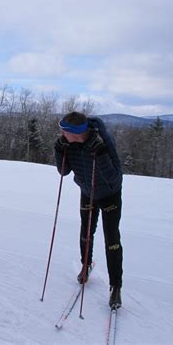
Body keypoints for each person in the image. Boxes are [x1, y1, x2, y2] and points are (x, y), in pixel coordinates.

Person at [54, 111, 123, 309]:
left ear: (75, 133)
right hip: (87, 190)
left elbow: (113, 177)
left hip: (109, 194)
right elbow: (64, 171)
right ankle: (86, 265)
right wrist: (59, 150)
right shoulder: (68, 143)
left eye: (63, 130)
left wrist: (100, 154)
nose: (60, 133)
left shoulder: (103, 141)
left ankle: (115, 286)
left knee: (112, 239)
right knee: (86, 231)